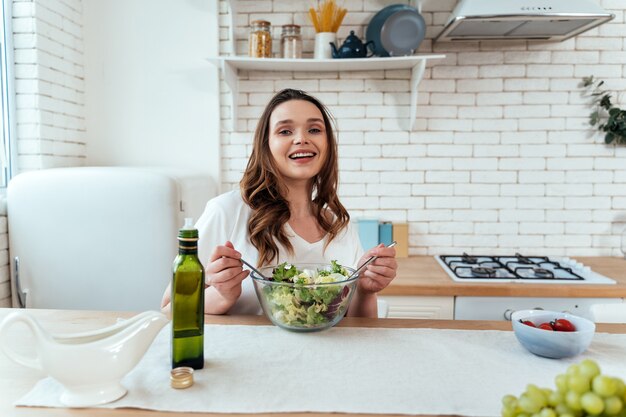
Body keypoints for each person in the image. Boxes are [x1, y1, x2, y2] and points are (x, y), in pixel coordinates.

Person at [161, 88, 397, 317]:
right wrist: (221, 296)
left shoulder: (340, 227)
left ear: (327, 146)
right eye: (285, 131)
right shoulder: (227, 211)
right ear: (266, 145)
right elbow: (168, 307)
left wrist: (366, 291)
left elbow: (358, 326)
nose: (301, 139)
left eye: (314, 129)